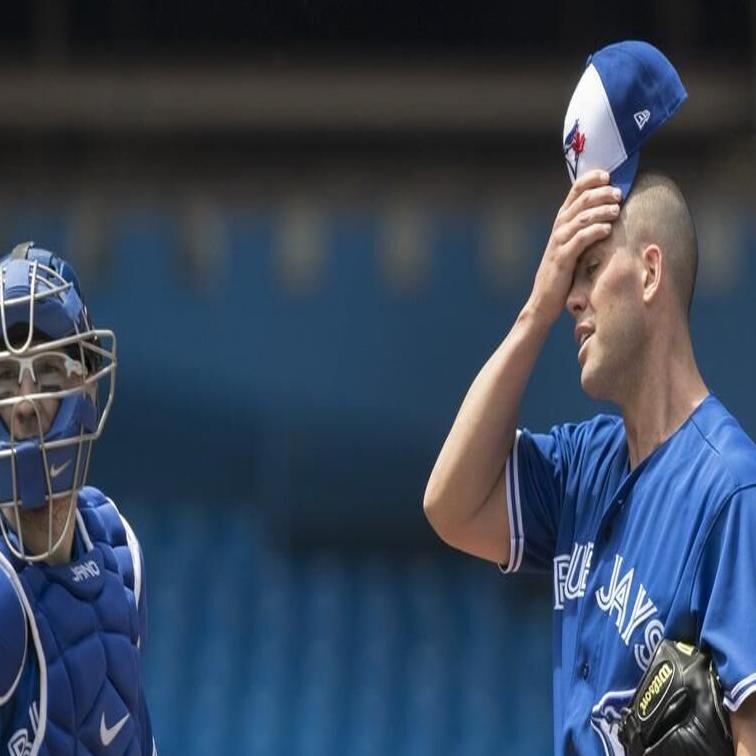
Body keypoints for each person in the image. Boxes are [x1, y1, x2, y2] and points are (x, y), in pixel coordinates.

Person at [423, 164, 756, 753]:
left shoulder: (731, 489)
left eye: (592, 269)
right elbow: (450, 506)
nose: (573, 297)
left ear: (651, 272)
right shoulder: (584, 464)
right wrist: (535, 310)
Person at [0, 243, 156, 755]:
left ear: (86, 387)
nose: (23, 405)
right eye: (3, 380)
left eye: (46, 374)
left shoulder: (118, 548)